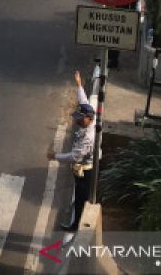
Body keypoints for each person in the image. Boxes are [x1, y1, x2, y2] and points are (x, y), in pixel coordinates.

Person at [49, 72, 97, 232]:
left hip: (85, 171)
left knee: (81, 200)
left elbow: (74, 156)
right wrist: (79, 84)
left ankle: (76, 225)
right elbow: (84, 101)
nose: (77, 121)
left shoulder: (88, 138)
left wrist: (55, 156)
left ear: (89, 119)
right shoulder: (90, 117)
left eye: (80, 119)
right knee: (79, 197)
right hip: (81, 168)